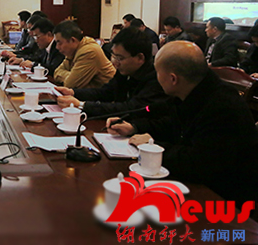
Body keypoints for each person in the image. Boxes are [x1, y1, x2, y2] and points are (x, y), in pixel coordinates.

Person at [107, 41, 258, 211]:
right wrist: (135, 127)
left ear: (173, 79)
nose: (156, 78)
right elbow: (172, 124)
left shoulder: (222, 106)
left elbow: (198, 163)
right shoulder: (194, 90)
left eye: (157, 73)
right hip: (197, 183)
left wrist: (154, 148)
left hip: (224, 203)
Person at [55, 27, 169, 116]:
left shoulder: (156, 78)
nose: (115, 63)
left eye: (120, 58)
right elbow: (106, 92)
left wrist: (81, 105)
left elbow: (130, 108)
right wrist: (73, 93)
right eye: (113, 56)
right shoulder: (124, 71)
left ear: (140, 58)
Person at [53, 20, 116, 89]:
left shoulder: (89, 51)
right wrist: (71, 75)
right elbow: (56, 72)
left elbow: (70, 84)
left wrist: (70, 77)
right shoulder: (73, 51)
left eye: (59, 43)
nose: (57, 47)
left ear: (72, 40)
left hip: (109, 94)